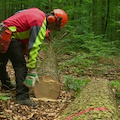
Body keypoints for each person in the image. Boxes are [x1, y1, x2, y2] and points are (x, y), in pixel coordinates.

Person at [0, 7, 68, 106]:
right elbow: (34, 48)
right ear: (52, 20)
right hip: (9, 35)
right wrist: (32, 70)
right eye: (56, 27)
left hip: (3, 30)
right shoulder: (40, 23)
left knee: (1, 62)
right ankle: (22, 97)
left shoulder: (37, 12)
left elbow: (18, 13)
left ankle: (6, 84)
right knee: (20, 66)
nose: (54, 29)